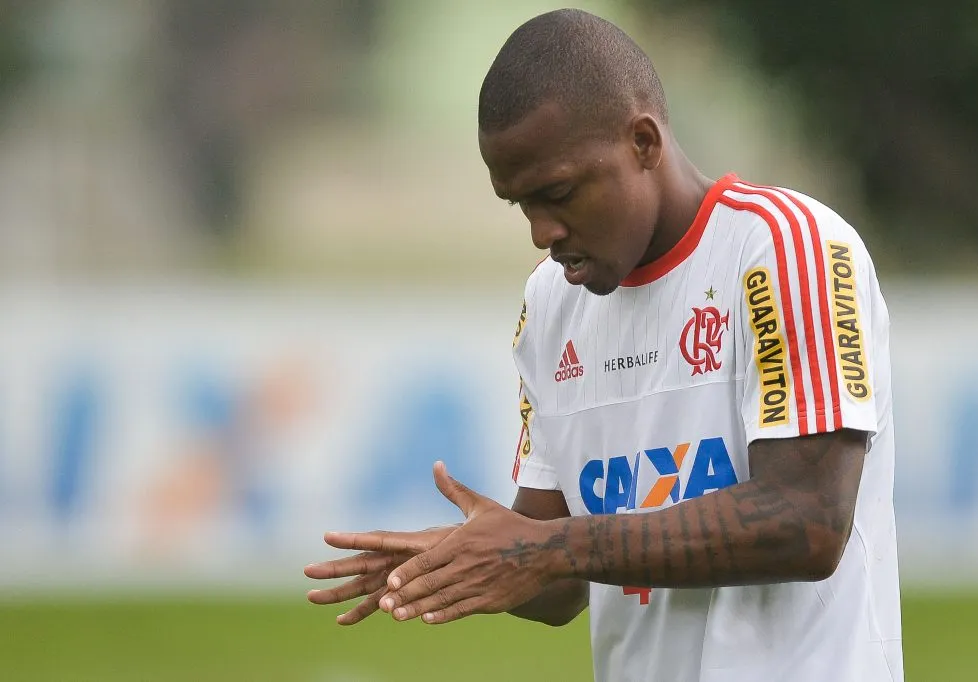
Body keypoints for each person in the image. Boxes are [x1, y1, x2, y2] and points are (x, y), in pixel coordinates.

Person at [305, 9, 904, 682]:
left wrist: (549, 549)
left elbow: (808, 520)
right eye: (520, 205)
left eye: (556, 193)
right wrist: (463, 560)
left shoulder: (787, 251)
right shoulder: (550, 305)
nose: (539, 232)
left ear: (643, 142)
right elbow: (556, 579)